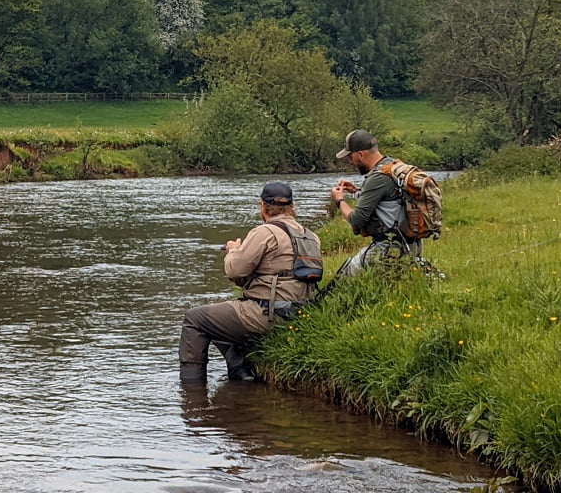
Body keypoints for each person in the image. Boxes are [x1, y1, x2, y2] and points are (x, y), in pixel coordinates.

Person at [179, 182, 321, 384]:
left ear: (263, 206)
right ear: (292, 206)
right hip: (301, 312)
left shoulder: (264, 232)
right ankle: (240, 374)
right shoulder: (310, 236)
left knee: (195, 319)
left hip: (270, 314)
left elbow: (234, 271)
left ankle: (191, 390)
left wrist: (233, 250)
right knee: (220, 315)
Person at [329, 129, 423, 276]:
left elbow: (357, 220)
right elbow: (389, 200)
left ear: (360, 154)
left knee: (344, 278)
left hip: (390, 248)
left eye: (350, 157)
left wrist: (340, 200)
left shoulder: (377, 178)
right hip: (412, 245)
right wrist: (356, 191)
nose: (350, 161)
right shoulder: (393, 166)